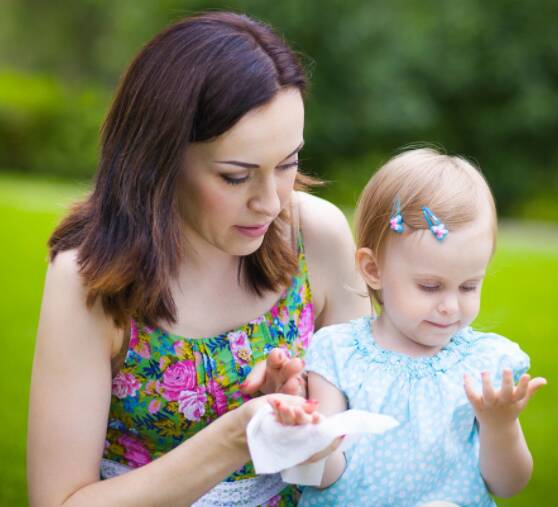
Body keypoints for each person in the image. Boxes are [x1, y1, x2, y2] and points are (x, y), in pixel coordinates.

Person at [27, 11, 368, 507]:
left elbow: (364, 456)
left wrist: (304, 422)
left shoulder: (316, 235)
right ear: (159, 159)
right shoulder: (90, 278)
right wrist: (237, 438)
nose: (271, 203)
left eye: (288, 164)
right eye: (236, 175)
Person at [270, 148, 547, 506]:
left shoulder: (482, 363)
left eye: (468, 286)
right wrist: (307, 438)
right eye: (430, 286)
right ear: (373, 270)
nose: (450, 306)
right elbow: (325, 476)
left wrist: (501, 425)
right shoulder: (338, 354)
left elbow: (508, 484)